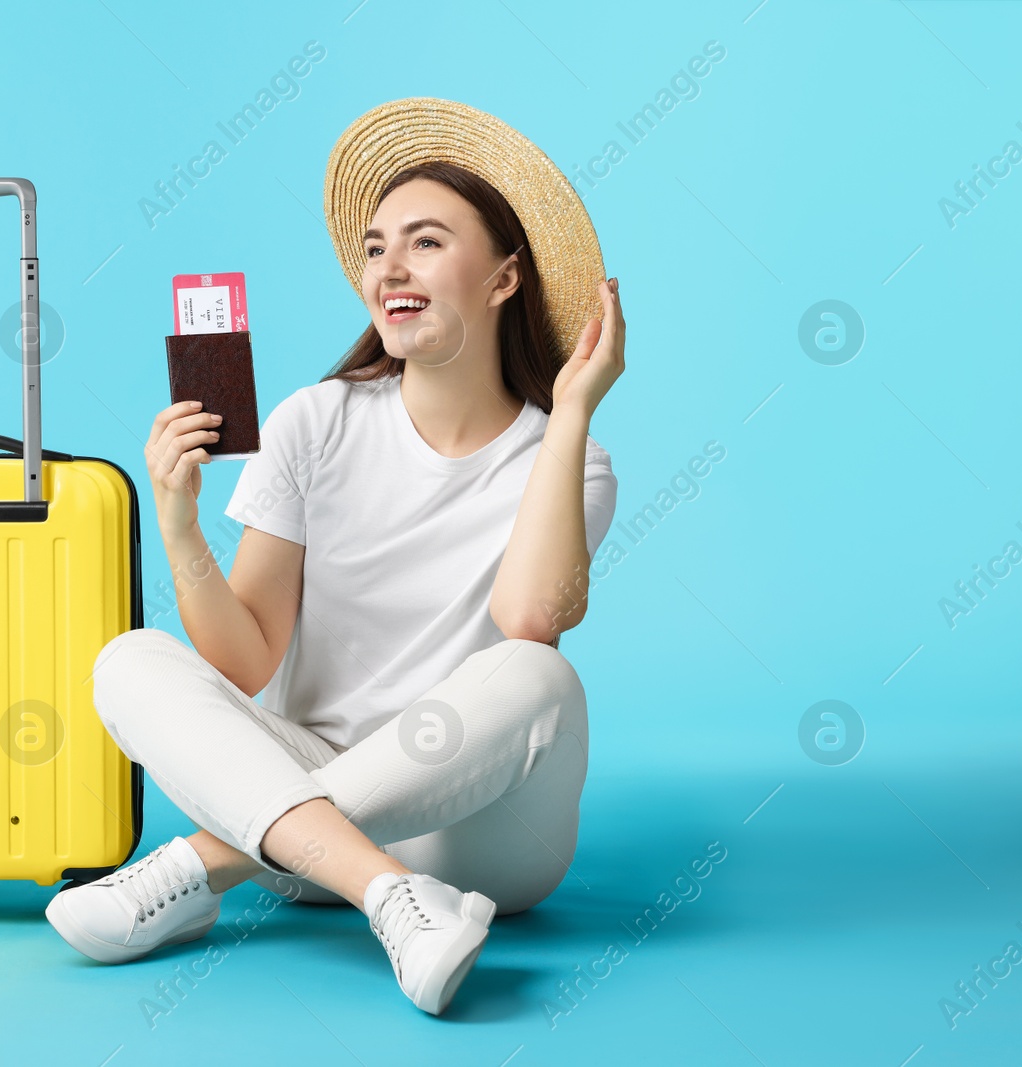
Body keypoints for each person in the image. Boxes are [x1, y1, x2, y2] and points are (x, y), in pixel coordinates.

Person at [46, 98, 625, 1016]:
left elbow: (529, 619)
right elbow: (243, 661)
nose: (389, 268)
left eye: (426, 243)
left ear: (506, 276)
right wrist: (181, 523)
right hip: (306, 837)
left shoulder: (570, 458)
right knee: (128, 659)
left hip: (478, 837)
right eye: (374, 247)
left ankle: (204, 864)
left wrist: (576, 409)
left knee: (538, 674)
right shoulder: (314, 422)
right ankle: (394, 901)